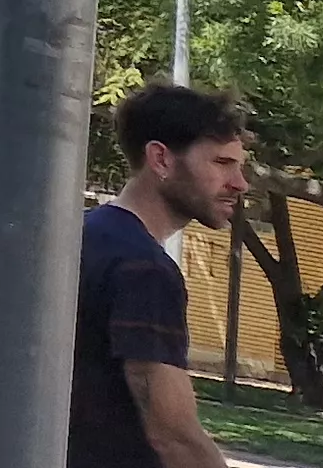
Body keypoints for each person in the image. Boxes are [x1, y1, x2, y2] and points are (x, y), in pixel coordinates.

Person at [73, 84, 248, 468]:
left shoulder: (82, 235)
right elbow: (173, 435)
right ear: (161, 159)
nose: (239, 183)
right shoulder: (144, 268)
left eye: (239, 165)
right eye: (221, 163)